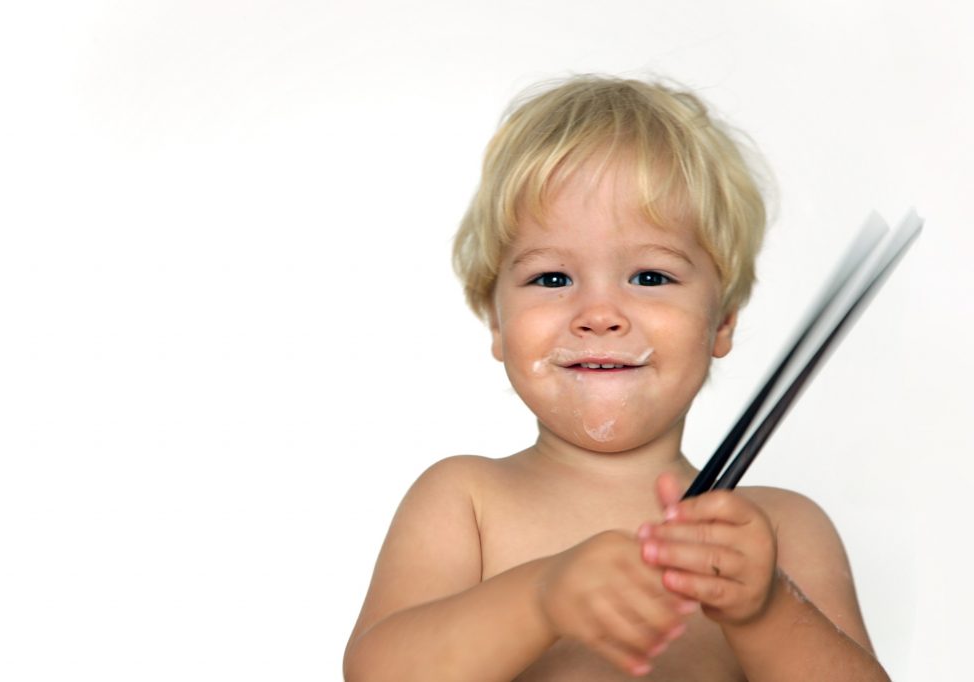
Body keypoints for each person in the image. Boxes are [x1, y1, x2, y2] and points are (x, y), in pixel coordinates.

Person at [343, 76, 889, 681]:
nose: (599, 315)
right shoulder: (465, 501)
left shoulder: (779, 530)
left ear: (721, 322)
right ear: (496, 324)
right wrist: (540, 597)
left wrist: (764, 608)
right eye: (552, 279)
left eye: (650, 277)